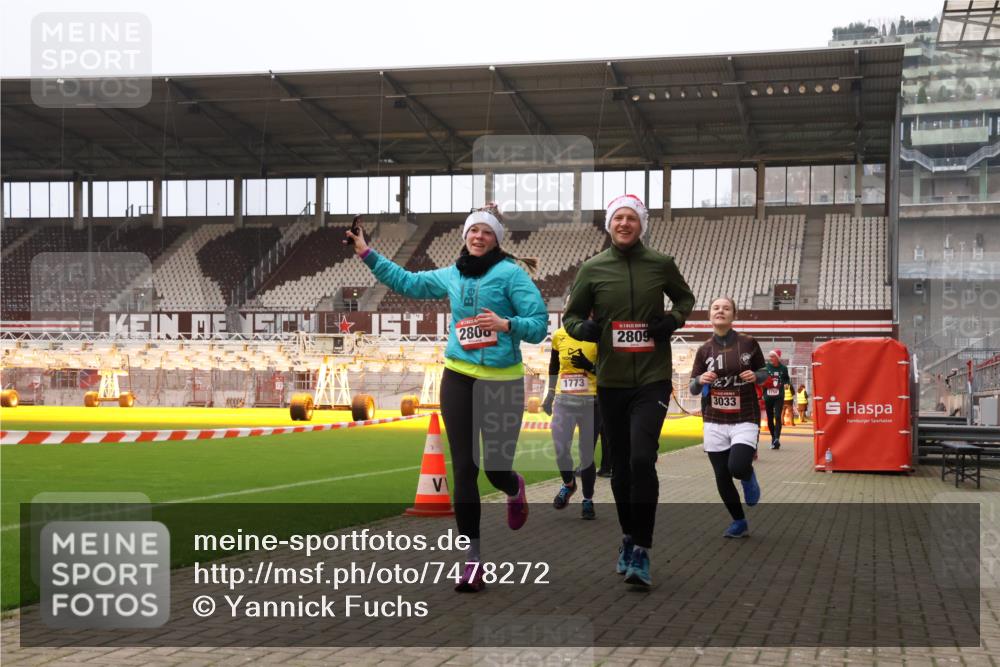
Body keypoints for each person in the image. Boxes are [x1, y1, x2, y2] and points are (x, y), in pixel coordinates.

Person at [347, 204, 548, 593]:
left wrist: (506, 324)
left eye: (486, 233)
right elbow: (407, 282)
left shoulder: (511, 275)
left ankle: (512, 485)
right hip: (458, 377)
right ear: (465, 236)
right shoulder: (453, 274)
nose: (478, 237)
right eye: (473, 231)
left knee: (494, 469)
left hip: (502, 383)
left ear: (496, 240)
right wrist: (365, 252)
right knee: (465, 470)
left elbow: (539, 325)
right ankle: (472, 561)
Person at [563, 194, 696, 588]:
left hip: (652, 378)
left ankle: (642, 549)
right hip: (611, 381)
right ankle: (627, 536)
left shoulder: (661, 264)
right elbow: (571, 315)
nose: (624, 224)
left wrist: (671, 320)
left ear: (641, 224)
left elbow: (685, 299)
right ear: (609, 224)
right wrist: (580, 329)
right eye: (618, 218)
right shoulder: (592, 268)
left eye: (631, 218)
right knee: (619, 466)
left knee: (642, 457)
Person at [690, 297, 768, 538]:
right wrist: (700, 380)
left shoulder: (748, 342)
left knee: (737, 466)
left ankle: (747, 475)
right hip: (713, 419)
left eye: (726, 308)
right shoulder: (704, 350)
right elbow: (693, 387)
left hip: (744, 416)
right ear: (709, 315)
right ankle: (739, 522)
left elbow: (765, 373)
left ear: (734, 314)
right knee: (722, 476)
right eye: (716, 308)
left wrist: (756, 376)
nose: (720, 311)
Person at [542, 324, 600, 520]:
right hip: (563, 400)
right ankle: (569, 484)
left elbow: (611, 370)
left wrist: (589, 366)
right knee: (560, 448)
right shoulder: (559, 334)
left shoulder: (597, 333)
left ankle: (587, 500)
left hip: (592, 402)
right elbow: (553, 366)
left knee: (586, 455)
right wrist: (550, 394)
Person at [762, 350, 791, 449]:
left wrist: (787, 383)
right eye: (770, 356)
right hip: (768, 396)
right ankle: (773, 438)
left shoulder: (783, 368)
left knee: (778, 416)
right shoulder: (766, 368)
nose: (770, 358)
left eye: (772, 356)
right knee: (770, 418)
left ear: (777, 358)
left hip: (779, 396)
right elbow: (761, 379)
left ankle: (777, 438)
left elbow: (787, 378)